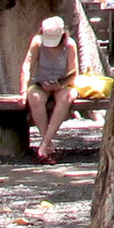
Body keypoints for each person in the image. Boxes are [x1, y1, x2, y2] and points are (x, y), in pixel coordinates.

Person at [23, 16, 79, 164]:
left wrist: (59, 85)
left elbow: (73, 72)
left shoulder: (70, 45)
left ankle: (44, 144)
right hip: (41, 83)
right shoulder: (37, 42)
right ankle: (46, 143)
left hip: (62, 84)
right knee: (34, 97)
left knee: (67, 96)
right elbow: (27, 66)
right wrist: (23, 90)